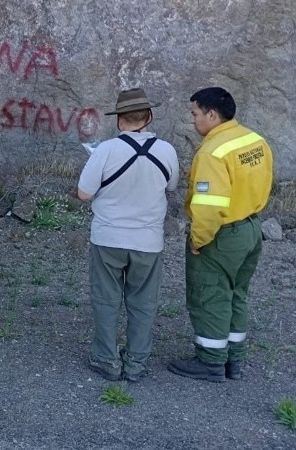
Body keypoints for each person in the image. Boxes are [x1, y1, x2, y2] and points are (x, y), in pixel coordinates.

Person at [169, 87, 273, 382]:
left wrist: (198, 240)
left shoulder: (212, 152)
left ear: (212, 115)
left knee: (210, 296)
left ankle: (211, 361)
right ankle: (233, 359)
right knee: (236, 294)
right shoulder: (254, 140)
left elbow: (209, 206)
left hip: (222, 235)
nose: (193, 120)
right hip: (251, 228)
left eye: (195, 114)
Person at [77, 87, 179, 382]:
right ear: (149, 117)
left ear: (120, 120)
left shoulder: (106, 150)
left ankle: (106, 359)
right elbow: (171, 187)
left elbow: (84, 194)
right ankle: (136, 363)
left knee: (106, 299)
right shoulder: (167, 151)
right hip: (148, 241)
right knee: (143, 302)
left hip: (108, 238)